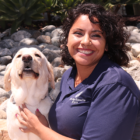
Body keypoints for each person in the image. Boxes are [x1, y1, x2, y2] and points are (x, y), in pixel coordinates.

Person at [16, 3, 140, 140]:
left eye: (96, 35)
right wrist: (45, 128)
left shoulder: (114, 85)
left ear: (107, 44)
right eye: (78, 33)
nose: (86, 41)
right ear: (67, 39)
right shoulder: (69, 76)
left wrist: (39, 130)